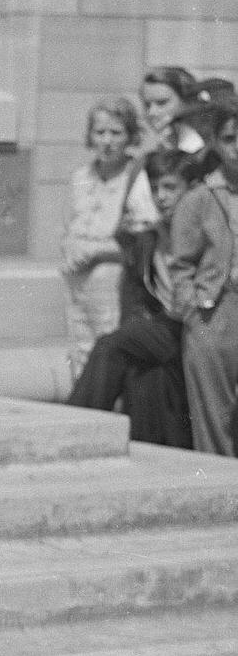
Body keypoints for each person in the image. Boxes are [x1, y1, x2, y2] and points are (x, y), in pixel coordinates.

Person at [68, 147, 229, 447]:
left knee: (113, 345)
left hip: (204, 329)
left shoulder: (209, 232)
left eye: (170, 187)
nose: (161, 196)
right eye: (155, 188)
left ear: (193, 189)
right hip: (169, 329)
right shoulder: (150, 238)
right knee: (146, 376)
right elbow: (142, 294)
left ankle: (74, 429)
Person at [59, 96, 156, 373]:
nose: (107, 141)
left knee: (109, 349)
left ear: (130, 136)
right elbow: (68, 225)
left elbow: (144, 239)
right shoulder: (80, 177)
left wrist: (100, 252)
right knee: (79, 349)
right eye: (100, 132)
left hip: (114, 280)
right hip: (77, 279)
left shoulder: (137, 177)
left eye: (116, 133)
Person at [186, 99, 238, 455]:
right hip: (215, 311)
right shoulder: (201, 197)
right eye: (231, 138)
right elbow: (178, 263)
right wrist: (192, 306)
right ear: (217, 143)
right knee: (214, 418)